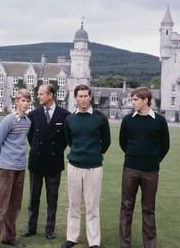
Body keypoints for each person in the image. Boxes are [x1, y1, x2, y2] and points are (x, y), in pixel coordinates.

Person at [119, 87, 170, 248]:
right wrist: (133, 156)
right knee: (126, 207)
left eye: (135, 100)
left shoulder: (159, 121)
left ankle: (149, 244)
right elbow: (123, 142)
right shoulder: (128, 120)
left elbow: (165, 146)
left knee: (148, 209)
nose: (132, 102)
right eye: (132, 99)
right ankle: (124, 244)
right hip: (130, 169)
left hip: (151, 171)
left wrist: (153, 160)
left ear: (146, 100)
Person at [61, 84, 111, 248]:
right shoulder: (70, 119)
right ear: (75, 98)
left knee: (92, 206)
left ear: (90, 97)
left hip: (94, 168)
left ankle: (94, 242)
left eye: (85, 96)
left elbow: (106, 142)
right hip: (74, 166)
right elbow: (69, 141)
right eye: (80, 96)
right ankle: (72, 237)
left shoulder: (100, 118)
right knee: (74, 204)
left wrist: (94, 154)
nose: (83, 99)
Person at [21, 84, 70, 239]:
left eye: (41, 94)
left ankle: (50, 230)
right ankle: (31, 227)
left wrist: (55, 152)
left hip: (54, 162)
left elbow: (66, 139)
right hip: (36, 161)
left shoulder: (65, 115)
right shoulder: (33, 114)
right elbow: (30, 137)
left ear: (50, 95)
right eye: (38, 94)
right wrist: (36, 149)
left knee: (52, 198)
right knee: (33, 197)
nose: (38, 96)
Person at [0, 89, 31, 248]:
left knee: (15, 205)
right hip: (7, 168)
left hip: (21, 167)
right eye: (22, 100)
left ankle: (9, 237)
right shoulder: (7, 121)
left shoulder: (27, 122)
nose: (25, 103)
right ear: (16, 102)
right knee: (1, 205)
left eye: (27, 101)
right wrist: (2, 162)